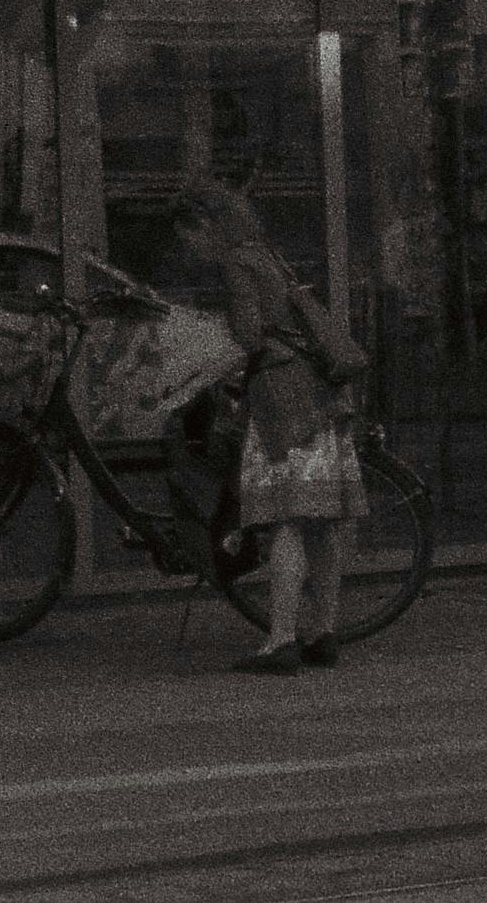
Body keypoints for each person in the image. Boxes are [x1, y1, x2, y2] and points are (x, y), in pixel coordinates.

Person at [178, 180, 368, 673]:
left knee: (286, 521)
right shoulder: (266, 253)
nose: (190, 249)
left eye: (190, 237)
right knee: (324, 523)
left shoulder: (237, 262)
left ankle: (280, 640)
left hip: (283, 402)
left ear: (207, 226)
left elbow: (248, 332)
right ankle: (321, 633)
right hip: (323, 398)